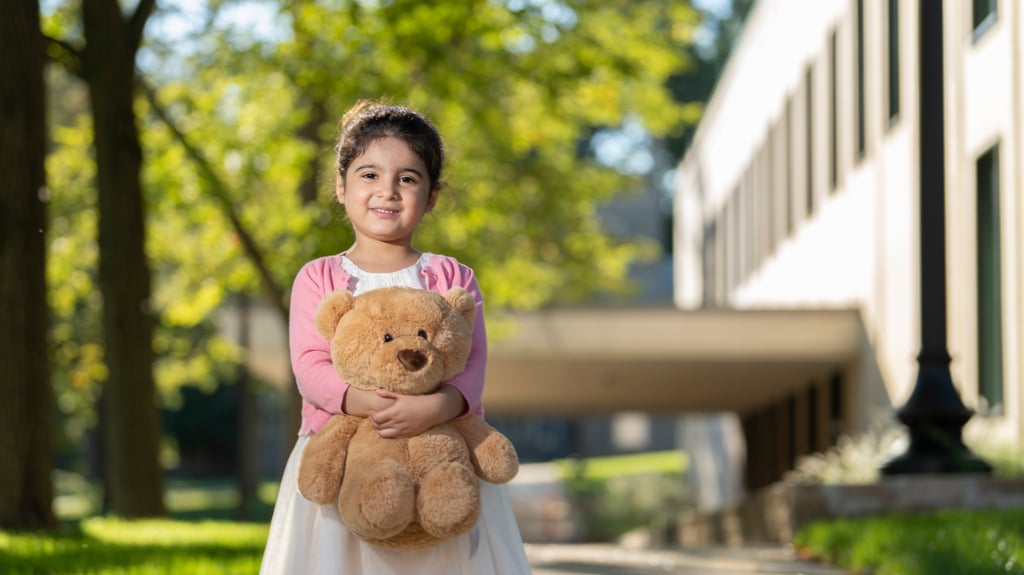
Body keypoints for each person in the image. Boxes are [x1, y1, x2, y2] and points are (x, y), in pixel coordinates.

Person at [259, 100, 531, 575]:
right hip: (344, 452)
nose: (388, 190)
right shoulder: (319, 276)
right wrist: (367, 403)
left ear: (431, 197)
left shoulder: (451, 275)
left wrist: (438, 407)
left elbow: (472, 362)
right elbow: (309, 364)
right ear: (340, 186)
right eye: (369, 175)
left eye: (407, 178)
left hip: (440, 451)